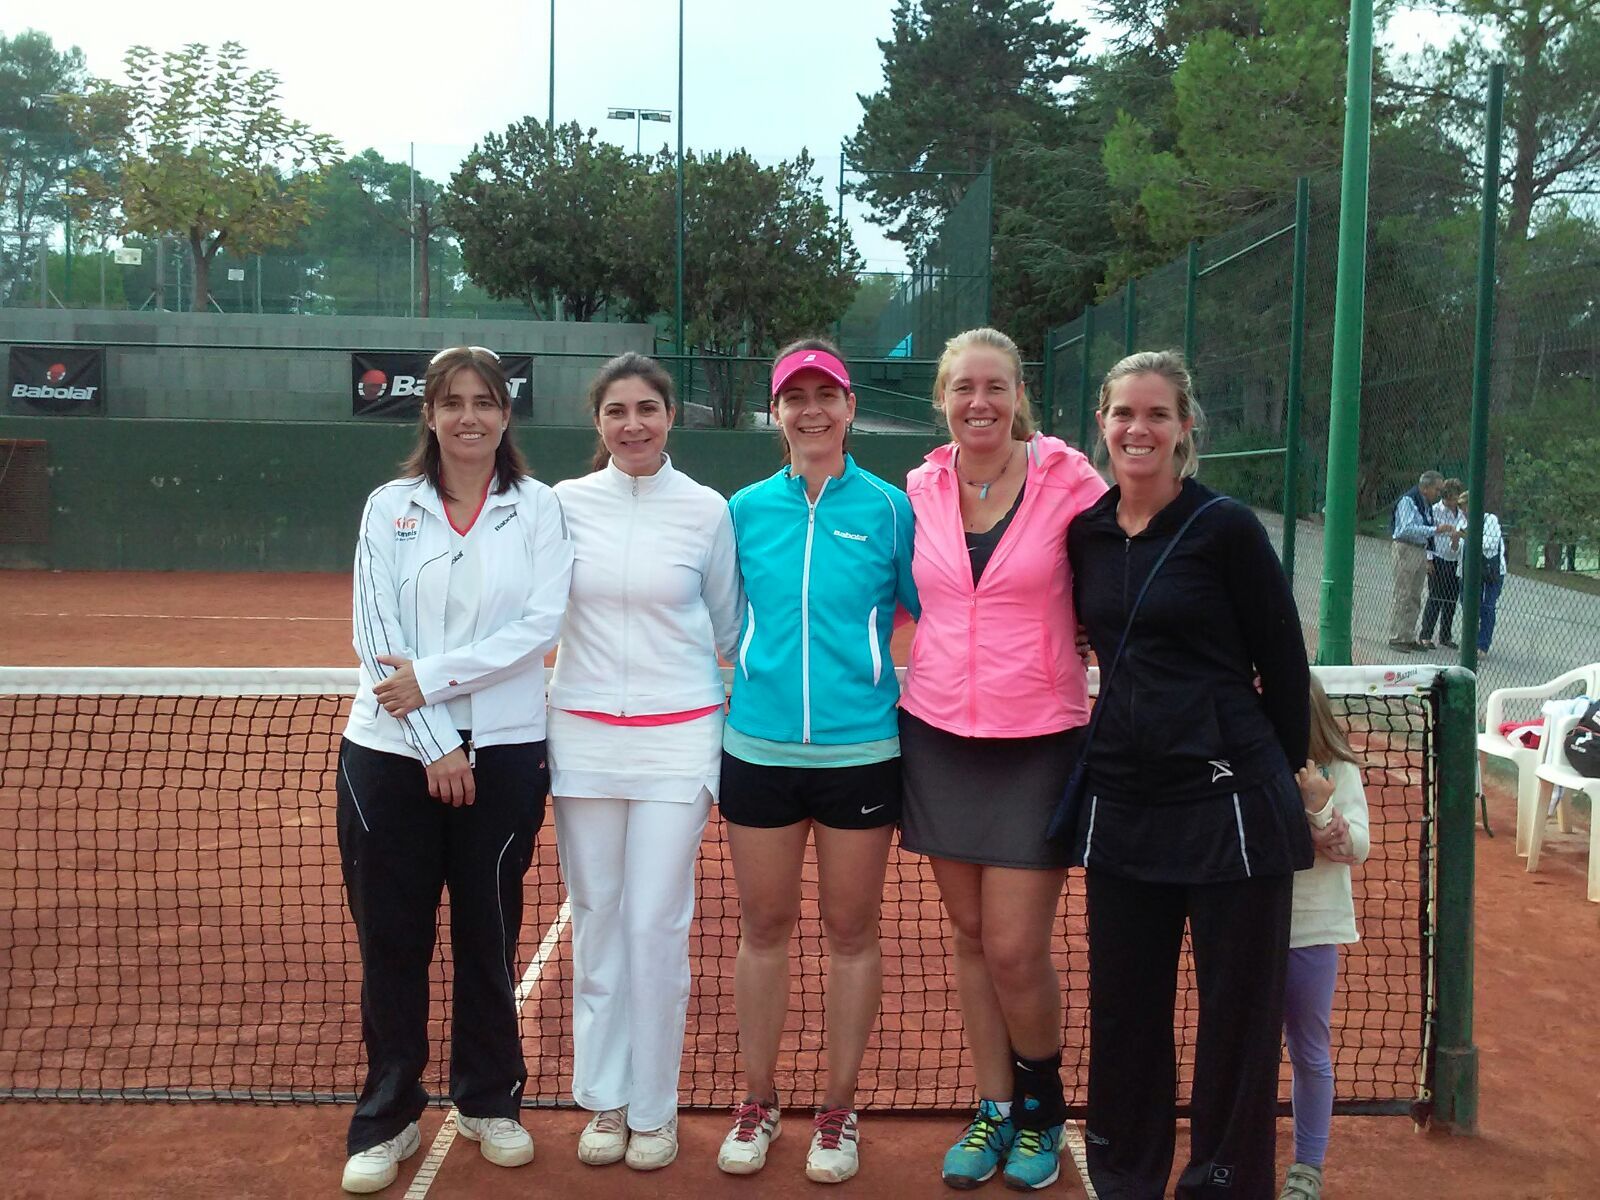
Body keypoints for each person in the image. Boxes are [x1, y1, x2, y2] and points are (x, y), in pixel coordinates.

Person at [1065, 350, 1313, 1200]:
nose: (1139, 429)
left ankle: (1222, 1181)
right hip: (1124, 805)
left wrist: (1279, 777)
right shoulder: (1087, 532)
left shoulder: (1227, 529)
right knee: (1125, 1011)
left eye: (1157, 415)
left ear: (1185, 429)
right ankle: (1126, 1174)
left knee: (1236, 1022)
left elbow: (1283, 664)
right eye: (1124, 413)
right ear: (1101, 423)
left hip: (1231, 809)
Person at [335, 346, 574, 1194]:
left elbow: (540, 625)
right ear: (428, 414)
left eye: (486, 402)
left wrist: (435, 687)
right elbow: (374, 630)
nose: (469, 416)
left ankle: (488, 1100)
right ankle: (387, 1117)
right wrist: (436, 741)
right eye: (452, 402)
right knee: (392, 941)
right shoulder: (388, 506)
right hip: (389, 755)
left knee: (488, 933)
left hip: (505, 753)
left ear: (506, 416)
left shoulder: (538, 508)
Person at [898, 326, 1108, 1192]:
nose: (979, 403)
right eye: (962, 389)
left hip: (1040, 738)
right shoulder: (922, 484)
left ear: (1020, 395)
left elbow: (1125, 559)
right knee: (972, 937)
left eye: (995, 387)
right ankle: (993, 1109)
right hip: (939, 732)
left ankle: (1043, 1107)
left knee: (1018, 946)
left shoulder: (1069, 480)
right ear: (943, 399)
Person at [716, 336, 919, 1185]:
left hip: (861, 752)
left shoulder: (889, 509)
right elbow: (723, 622)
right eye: (794, 398)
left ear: (848, 409)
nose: (811, 410)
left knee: (852, 932)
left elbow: (930, 608)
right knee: (763, 929)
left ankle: (838, 1110)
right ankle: (755, 1103)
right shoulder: (743, 510)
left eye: (825, 395)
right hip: (757, 747)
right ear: (776, 414)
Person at [547, 353, 743, 1172]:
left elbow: (728, 628)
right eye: (617, 411)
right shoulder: (559, 507)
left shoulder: (707, 511)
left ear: (670, 417)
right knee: (597, 919)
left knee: (655, 925)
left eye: (647, 409)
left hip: (678, 742)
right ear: (598, 423)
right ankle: (605, 1101)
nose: (633, 423)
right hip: (583, 740)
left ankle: (655, 1111)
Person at [1279, 677, 1370, 1200]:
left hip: (1310, 931)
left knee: (1310, 1050)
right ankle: (1236, 1148)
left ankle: (1307, 1167)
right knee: (1243, 1048)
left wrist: (1319, 811)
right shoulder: (1248, 762)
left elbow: (1357, 845)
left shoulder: (1338, 770)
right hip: (1249, 929)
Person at [1387, 470, 1448, 652]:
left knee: (1415, 596)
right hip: (1406, 547)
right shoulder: (1409, 501)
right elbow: (1406, 528)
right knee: (1403, 594)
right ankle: (1397, 637)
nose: (1438, 494)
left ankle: (1408, 635)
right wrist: (1434, 530)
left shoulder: (1425, 504)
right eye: (1436, 490)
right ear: (1425, 487)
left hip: (1419, 549)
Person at [1417, 478, 1466, 650]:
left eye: (1454, 498)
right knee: (1435, 597)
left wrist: (1456, 541)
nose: (1452, 502)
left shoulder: (1461, 513)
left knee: (1451, 600)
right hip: (1438, 557)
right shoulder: (1435, 511)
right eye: (1449, 498)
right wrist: (1429, 558)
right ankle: (1426, 635)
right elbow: (1429, 535)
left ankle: (1445, 635)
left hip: (1454, 559)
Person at [1469, 497, 1507, 656]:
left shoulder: (1490, 520)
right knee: (1469, 605)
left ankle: (1482, 645)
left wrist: (1470, 536)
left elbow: (1491, 544)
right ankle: (1471, 641)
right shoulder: (1462, 521)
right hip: (1473, 570)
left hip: (1492, 570)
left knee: (1488, 606)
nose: (1464, 512)